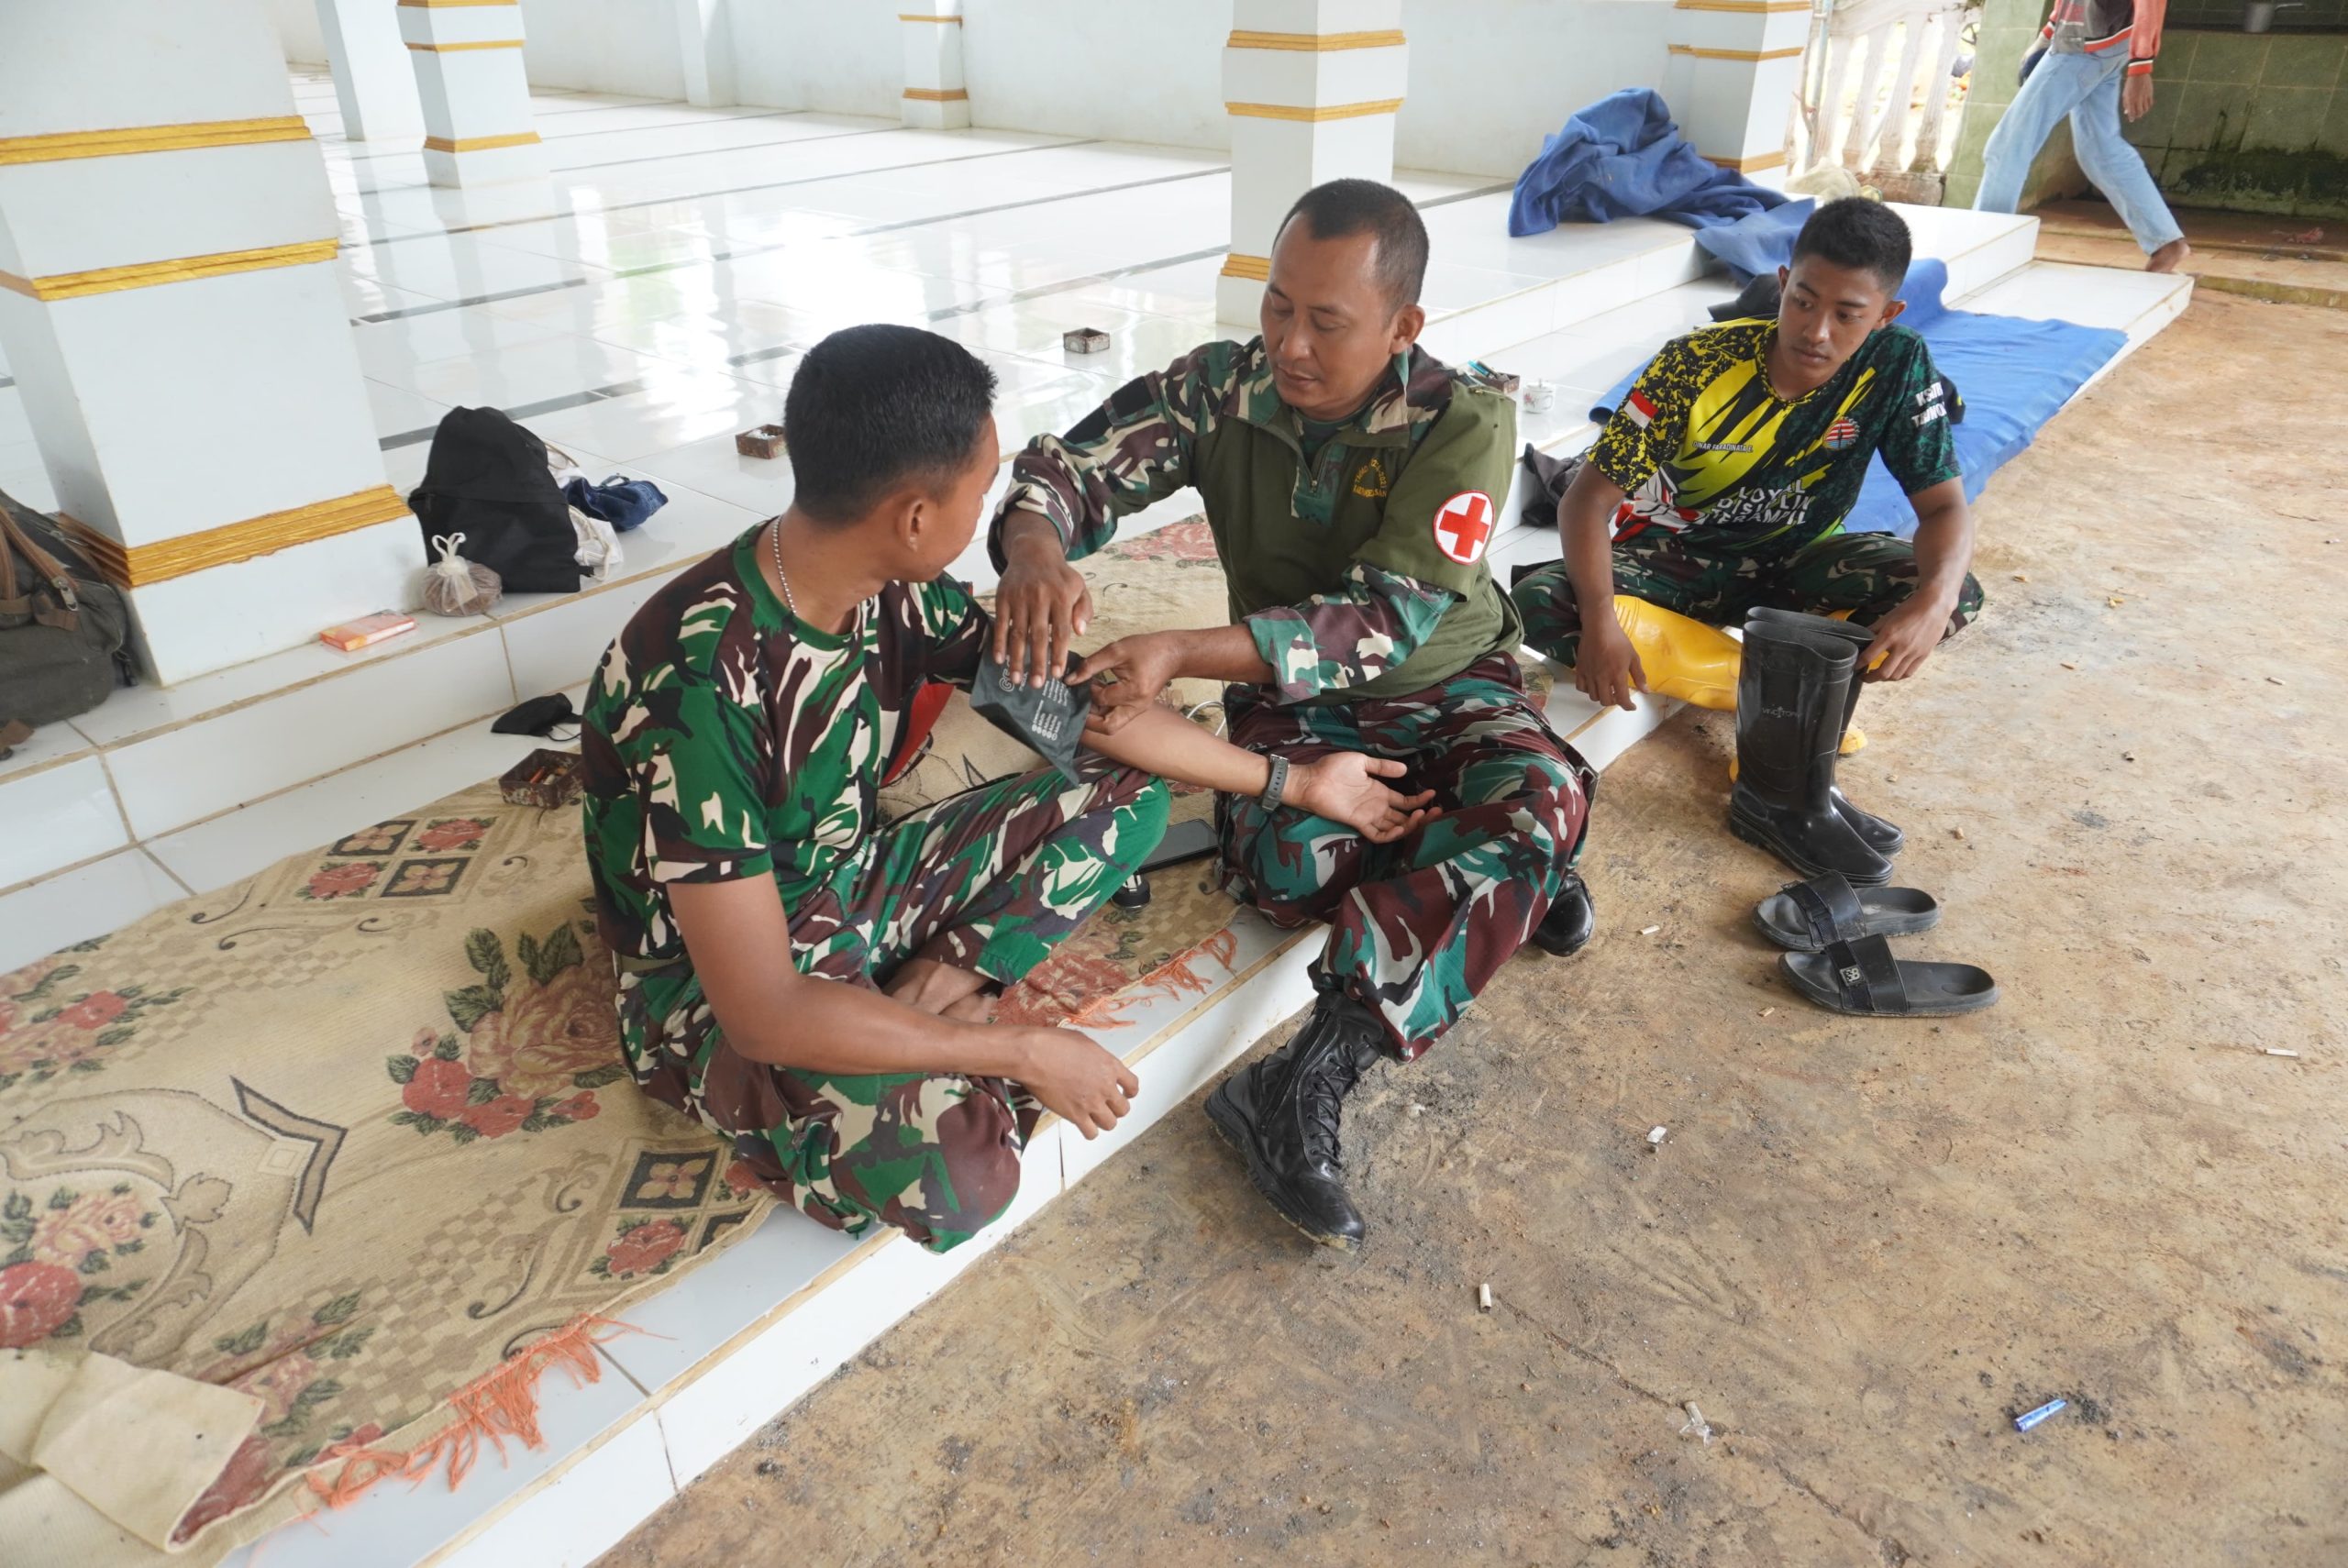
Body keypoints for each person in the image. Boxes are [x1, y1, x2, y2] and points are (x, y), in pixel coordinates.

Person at [581, 325, 1434, 1255]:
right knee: (966, 1174)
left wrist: (1296, 782)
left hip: (840, 885)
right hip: (710, 990)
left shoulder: (884, 586)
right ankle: (873, 1060)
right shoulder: (699, 681)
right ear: (915, 517)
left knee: (1131, 792)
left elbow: (1089, 718)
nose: (991, 514)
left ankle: (926, 989)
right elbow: (764, 1011)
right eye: (982, 490)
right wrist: (1017, 1049)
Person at [988, 180, 1595, 1252]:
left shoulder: (1465, 420)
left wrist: (1176, 649)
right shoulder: (1219, 390)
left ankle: (1309, 1074)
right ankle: (1495, 870)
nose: (1289, 345)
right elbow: (1067, 469)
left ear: (1403, 326)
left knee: (1538, 793)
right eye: (1276, 307)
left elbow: (1384, 620)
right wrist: (1035, 549)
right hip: (1297, 704)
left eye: (1326, 321)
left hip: (1448, 684)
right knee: (1286, 867)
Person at [1509, 198, 1985, 883]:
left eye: (1848, 314)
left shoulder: (1897, 362)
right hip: (1681, 560)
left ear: (1886, 315)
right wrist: (1602, 621)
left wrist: (1933, 603)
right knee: (1543, 600)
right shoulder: (1697, 363)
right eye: (1803, 301)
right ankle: (1791, 710)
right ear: (1783, 282)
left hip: (1800, 560)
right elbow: (1588, 499)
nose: (1816, 331)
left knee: (1949, 591)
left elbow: (1942, 507)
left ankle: (1781, 753)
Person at [1974, 0, 2187, 273]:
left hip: (2085, 47)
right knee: (2101, 151)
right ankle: (2166, 242)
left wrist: (2141, 65)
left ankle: (1983, 249)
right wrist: (2049, 32)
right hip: (2094, 41)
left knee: (2007, 148)